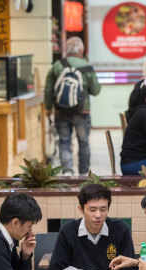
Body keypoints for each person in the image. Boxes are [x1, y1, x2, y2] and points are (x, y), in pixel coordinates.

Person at [44, 36, 101, 176]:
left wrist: (48, 108)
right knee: (83, 142)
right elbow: (96, 90)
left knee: (64, 141)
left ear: (66, 50)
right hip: (83, 111)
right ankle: (83, 173)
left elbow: (48, 89)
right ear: (81, 50)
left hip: (61, 110)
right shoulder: (87, 66)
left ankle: (67, 171)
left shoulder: (57, 65)